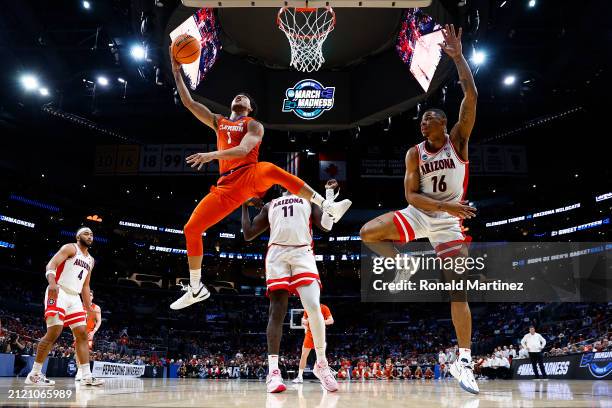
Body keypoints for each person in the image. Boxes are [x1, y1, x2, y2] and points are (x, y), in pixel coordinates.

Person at [169, 51, 352, 310]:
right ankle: (197, 287)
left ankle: (326, 204)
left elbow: (244, 151)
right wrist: (176, 70)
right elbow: (189, 103)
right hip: (227, 186)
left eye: (245, 98)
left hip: (250, 174)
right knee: (191, 229)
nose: (240, 97)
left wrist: (212, 154)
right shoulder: (218, 121)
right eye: (237, 96)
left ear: (250, 108)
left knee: (269, 169)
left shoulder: (254, 125)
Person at [359, 24, 479, 394]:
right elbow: (411, 197)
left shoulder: (458, 139)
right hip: (424, 213)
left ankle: (465, 361)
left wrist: (458, 58)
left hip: (448, 225)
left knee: (457, 291)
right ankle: (404, 261)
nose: (424, 120)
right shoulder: (415, 152)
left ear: (444, 122)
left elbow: (471, 96)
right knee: (368, 232)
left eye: (430, 117)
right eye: (422, 119)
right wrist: (448, 205)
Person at [240, 180, 342, 393]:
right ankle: (273, 372)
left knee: (314, 307)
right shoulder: (270, 204)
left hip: (302, 253)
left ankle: (321, 364)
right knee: (277, 312)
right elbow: (248, 233)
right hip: (277, 254)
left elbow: (326, 225)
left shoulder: (309, 199)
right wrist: (243, 205)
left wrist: (329, 197)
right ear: (282, 185)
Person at [24, 227, 104, 386]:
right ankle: (34, 374)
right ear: (78, 236)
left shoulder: (91, 260)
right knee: (54, 331)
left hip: (74, 297)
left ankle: (87, 375)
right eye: (86, 233)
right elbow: (51, 265)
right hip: (59, 291)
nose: (90, 236)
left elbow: (86, 285)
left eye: (92, 234)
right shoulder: (70, 248)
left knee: (82, 333)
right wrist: (52, 283)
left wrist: (87, 306)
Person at [293, 303, 334, 385]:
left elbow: (331, 320)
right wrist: (306, 322)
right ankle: (299, 376)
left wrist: (319, 321)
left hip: (320, 334)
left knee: (321, 357)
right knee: (304, 355)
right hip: (309, 334)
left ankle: (322, 375)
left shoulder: (324, 307)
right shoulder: (308, 308)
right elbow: (303, 320)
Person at [74, 290, 101, 381]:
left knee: (86, 351)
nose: (89, 296)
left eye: (91, 295)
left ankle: (84, 371)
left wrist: (93, 332)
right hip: (78, 330)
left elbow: (99, 321)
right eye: (87, 294)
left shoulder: (96, 308)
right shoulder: (77, 305)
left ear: (93, 297)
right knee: (77, 351)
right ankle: (79, 371)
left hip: (89, 332)